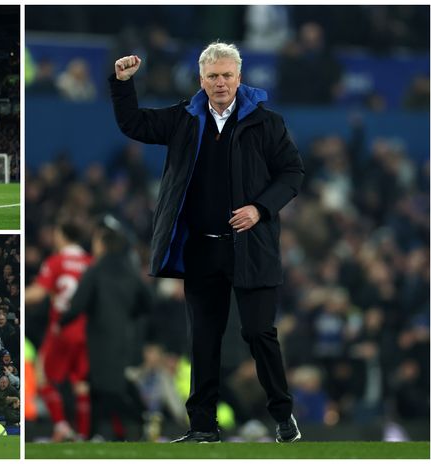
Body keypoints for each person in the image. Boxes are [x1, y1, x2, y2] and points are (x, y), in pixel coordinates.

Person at [110, 42, 304, 443]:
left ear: (239, 77)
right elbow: (135, 124)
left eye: (227, 75)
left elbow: (292, 173)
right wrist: (122, 83)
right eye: (213, 76)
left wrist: (260, 209)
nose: (220, 83)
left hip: (250, 246)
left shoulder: (267, 123)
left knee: (258, 332)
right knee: (202, 338)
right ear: (201, 79)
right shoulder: (184, 118)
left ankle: (283, 416)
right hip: (201, 247)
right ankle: (202, 426)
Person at [60, 216, 153, 441]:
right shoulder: (130, 271)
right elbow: (148, 301)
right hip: (126, 337)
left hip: (101, 337)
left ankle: (139, 420)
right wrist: (130, 316)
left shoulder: (96, 270)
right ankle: (97, 432)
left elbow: (78, 304)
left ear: (103, 244)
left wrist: (61, 322)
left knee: (108, 388)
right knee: (103, 384)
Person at [24, 221, 93, 441]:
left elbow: (38, 293)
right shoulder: (90, 263)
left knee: (42, 376)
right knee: (81, 383)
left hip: (61, 330)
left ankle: (61, 425)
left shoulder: (56, 261)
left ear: (62, 235)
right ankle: (83, 434)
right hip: (86, 331)